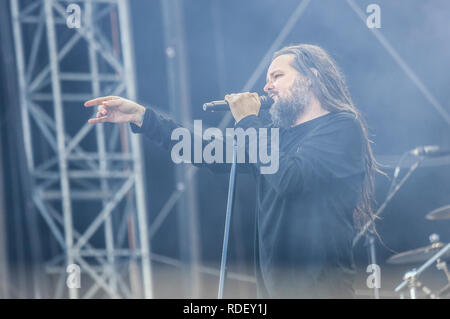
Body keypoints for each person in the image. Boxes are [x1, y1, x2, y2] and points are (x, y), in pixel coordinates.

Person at [85, 44, 380, 298]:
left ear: (311, 77)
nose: (267, 86)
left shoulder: (342, 127)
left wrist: (248, 122)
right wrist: (141, 116)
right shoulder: (273, 137)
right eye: (268, 78)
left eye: (278, 75)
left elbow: (290, 178)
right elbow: (205, 151)